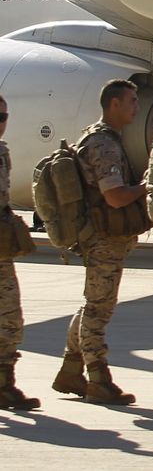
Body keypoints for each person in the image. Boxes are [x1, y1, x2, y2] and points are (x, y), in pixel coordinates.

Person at [53, 79, 149, 405]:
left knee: (93, 303)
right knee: (99, 308)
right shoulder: (104, 144)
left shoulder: (102, 138)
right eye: (132, 101)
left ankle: (70, 368)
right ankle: (98, 377)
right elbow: (116, 196)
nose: (137, 107)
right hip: (103, 238)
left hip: (102, 236)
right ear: (114, 105)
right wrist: (145, 188)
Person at [0, 92, 40, 411]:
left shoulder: (2, 152)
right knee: (9, 318)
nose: (1, 124)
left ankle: (4, 383)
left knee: (10, 319)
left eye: (4, 117)